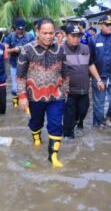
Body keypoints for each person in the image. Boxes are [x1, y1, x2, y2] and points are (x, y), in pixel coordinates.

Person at [17, 18, 69, 167]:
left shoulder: (60, 50)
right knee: (36, 122)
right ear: (37, 32)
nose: (48, 36)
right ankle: (36, 137)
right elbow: (20, 76)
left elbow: (65, 73)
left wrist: (66, 91)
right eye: (44, 33)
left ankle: (52, 157)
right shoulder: (27, 50)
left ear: (55, 33)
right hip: (34, 96)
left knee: (56, 124)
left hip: (56, 95)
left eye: (51, 33)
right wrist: (22, 96)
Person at [62, 25, 104, 139]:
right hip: (69, 91)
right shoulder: (60, 50)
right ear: (66, 36)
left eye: (78, 36)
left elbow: (90, 65)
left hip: (84, 90)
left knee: (83, 111)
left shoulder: (85, 48)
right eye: (73, 36)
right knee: (69, 114)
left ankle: (77, 123)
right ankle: (68, 136)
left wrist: (99, 79)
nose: (76, 39)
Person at [4, 18, 34, 107]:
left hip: (28, 66)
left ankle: (28, 105)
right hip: (14, 65)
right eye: (18, 29)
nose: (20, 31)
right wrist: (13, 49)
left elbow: (35, 50)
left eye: (22, 29)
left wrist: (25, 50)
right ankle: (16, 106)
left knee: (28, 86)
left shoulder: (30, 36)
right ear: (15, 28)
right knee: (15, 88)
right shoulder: (10, 36)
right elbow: (5, 50)